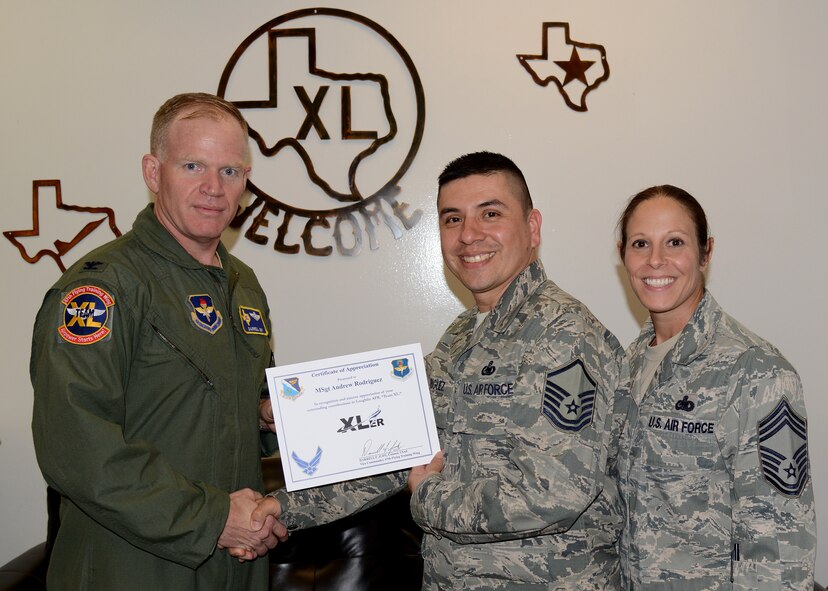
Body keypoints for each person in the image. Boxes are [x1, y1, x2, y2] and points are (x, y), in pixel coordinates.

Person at [256, 151, 627, 590]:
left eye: (490, 213)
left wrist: (429, 497)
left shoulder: (565, 335)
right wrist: (279, 507)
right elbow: (391, 450)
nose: (469, 235)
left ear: (532, 228)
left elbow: (553, 493)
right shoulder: (460, 338)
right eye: (452, 219)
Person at [30, 93, 287, 590]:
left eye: (231, 171)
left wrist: (262, 413)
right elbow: (76, 446)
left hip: (233, 563)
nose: (214, 188)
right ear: (153, 172)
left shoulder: (243, 285)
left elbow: (217, 405)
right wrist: (210, 517)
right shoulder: (104, 288)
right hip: (130, 566)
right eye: (193, 165)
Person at [615, 185, 816, 589]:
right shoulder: (629, 365)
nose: (656, 260)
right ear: (623, 255)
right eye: (641, 244)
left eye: (675, 242)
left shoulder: (756, 371)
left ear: (706, 253)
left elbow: (780, 549)